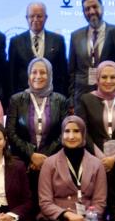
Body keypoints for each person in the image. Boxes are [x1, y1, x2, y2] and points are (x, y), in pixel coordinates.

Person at [36, 116, 106, 221]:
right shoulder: (49, 163)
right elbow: (45, 203)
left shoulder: (97, 164)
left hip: (89, 217)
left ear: (83, 133)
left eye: (76, 131)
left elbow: (99, 202)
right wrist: (69, 216)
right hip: (55, 218)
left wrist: (83, 219)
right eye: (67, 131)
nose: (71, 136)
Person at [6, 58, 68, 190]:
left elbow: (64, 132)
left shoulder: (61, 100)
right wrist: (31, 155)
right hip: (23, 163)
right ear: (28, 75)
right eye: (34, 72)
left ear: (49, 74)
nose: (38, 76)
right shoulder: (16, 100)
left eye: (43, 72)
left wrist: (44, 157)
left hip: (53, 162)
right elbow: (10, 132)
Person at [78, 60, 115, 170]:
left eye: (113, 77)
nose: (108, 81)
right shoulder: (86, 100)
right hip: (93, 160)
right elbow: (83, 132)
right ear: (97, 79)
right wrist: (101, 158)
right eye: (104, 77)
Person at [8, 2, 69, 97]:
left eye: (39, 16)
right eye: (32, 16)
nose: (35, 20)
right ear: (26, 18)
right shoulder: (16, 41)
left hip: (52, 97)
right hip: (24, 97)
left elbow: (63, 73)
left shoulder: (58, 40)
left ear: (46, 18)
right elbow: (12, 75)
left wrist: (63, 98)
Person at [69, 0, 113, 109]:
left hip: (110, 96)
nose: (92, 11)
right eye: (87, 9)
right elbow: (72, 71)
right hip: (82, 99)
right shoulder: (76, 36)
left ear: (102, 8)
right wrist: (71, 100)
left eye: (95, 7)